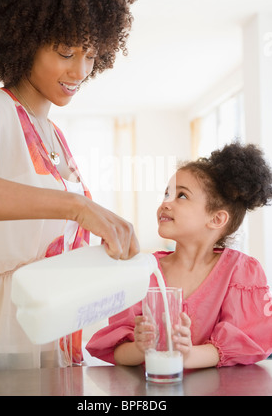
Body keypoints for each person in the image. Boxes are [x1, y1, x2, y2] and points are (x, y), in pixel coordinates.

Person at [0, 0, 139, 371]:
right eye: (66, 52)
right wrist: (78, 207)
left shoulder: (53, 134)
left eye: (90, 55)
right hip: (8, 333)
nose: (79, 71)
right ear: (24, 39)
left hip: (57, 331)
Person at [86, 142, 272, 368]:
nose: (165, 203)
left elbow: (244, 346)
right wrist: (140, 347)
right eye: (167, 193)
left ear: (216, 219)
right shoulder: (142, 272)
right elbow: (118, 353)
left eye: (181, 196)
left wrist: (188, 355)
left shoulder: (241, 272)